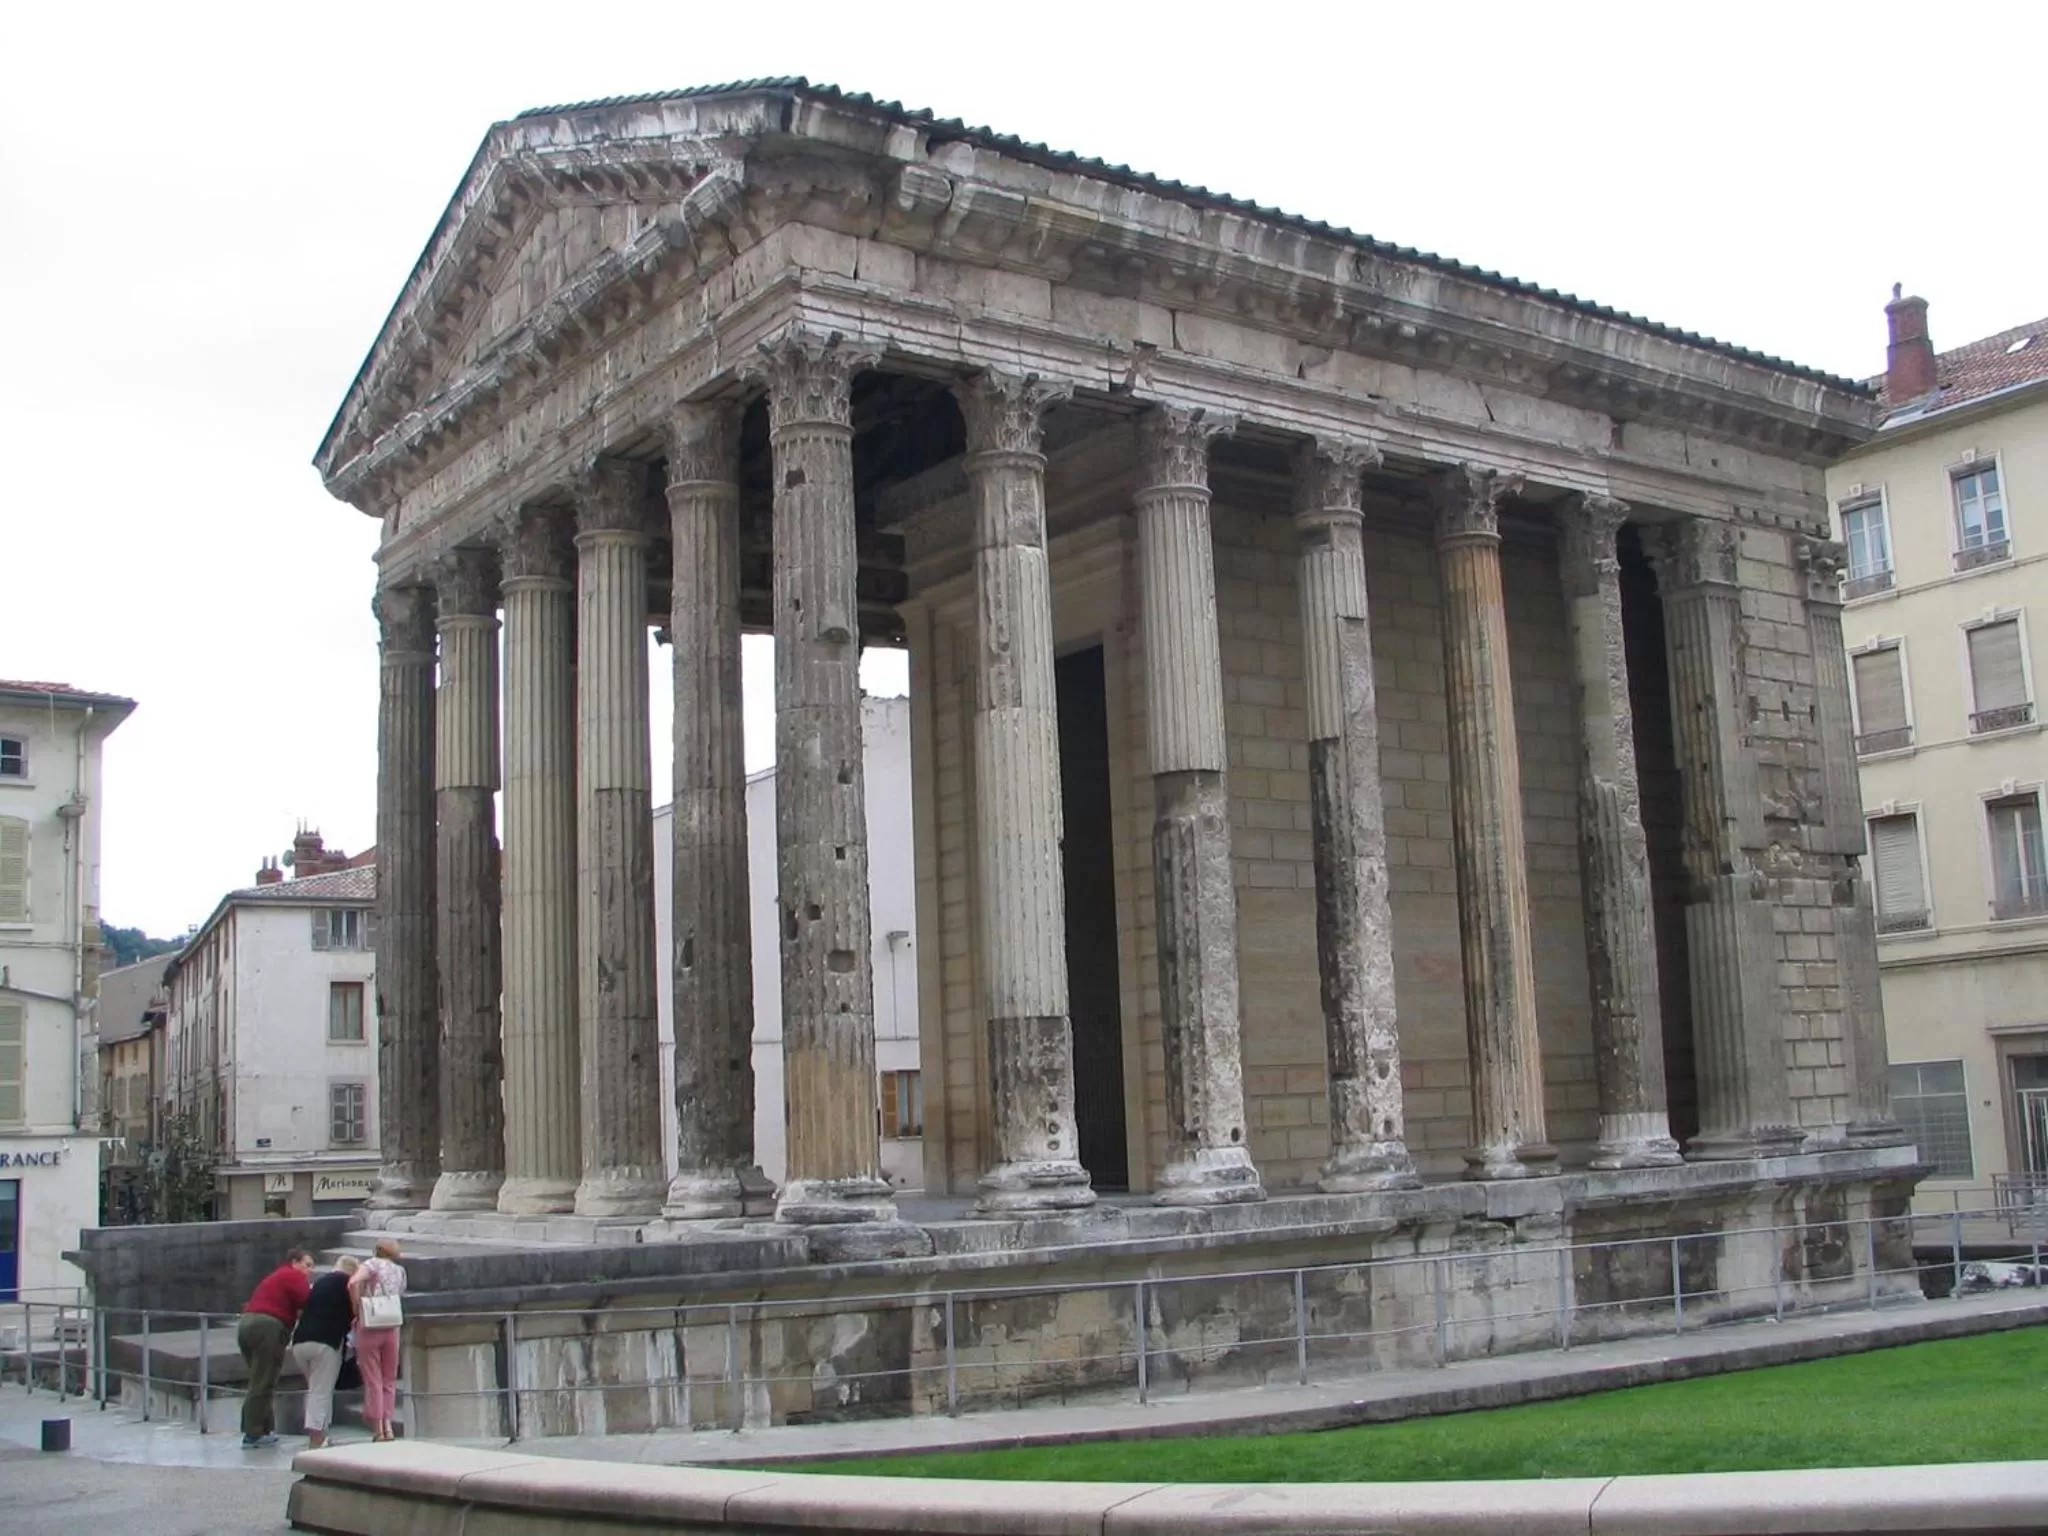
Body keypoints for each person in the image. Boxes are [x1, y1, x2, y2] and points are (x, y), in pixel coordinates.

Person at [238, 1248, 315, 1449]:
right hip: (268, 1327)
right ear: (295, 1262)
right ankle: (253, 1433)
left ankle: (265, 1430)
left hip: (247, 1324)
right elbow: (308, 1300)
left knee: (260, 1379)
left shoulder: (276, 1276)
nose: (309, 1270)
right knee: (263, 1382)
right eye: (307, 1265)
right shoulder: (293, 1275)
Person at [290, 1256, 358, 1449]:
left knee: (315, 1388)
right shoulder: (348, 1284)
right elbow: (355, 1313)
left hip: (300, 1342)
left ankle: (322, 1433)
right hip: (326, 1343)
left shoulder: (319, 1283)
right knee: (321, 1391)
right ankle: (316, 1438)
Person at [348, 1238, 408, 1442]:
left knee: (373, 1378)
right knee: (389, 1378)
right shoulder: (399, 1271)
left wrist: (358, 1306)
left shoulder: (370, 1265)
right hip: (392, 1324)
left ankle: (378, 1428)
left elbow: (353, 1282)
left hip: (371, 1322)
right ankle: (389, 1425)